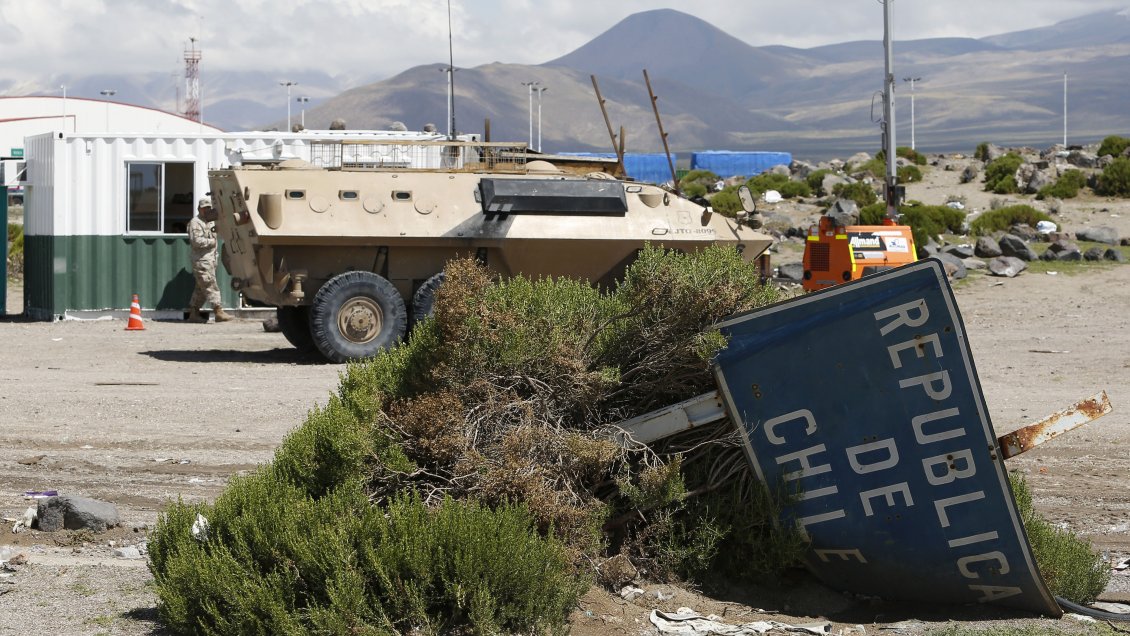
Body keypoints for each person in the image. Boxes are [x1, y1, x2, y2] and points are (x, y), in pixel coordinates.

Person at [187, 197, 232, 323]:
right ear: (199, 209)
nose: (206, 210)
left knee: (201, 288)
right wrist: (211, 242)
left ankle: (193, 313)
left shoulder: (211, 222)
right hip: (201, 261)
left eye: (208, 208)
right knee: (210, 285)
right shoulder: (195, 223)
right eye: (204, 208)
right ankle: (218, 311)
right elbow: (196, 241)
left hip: (210, 260)